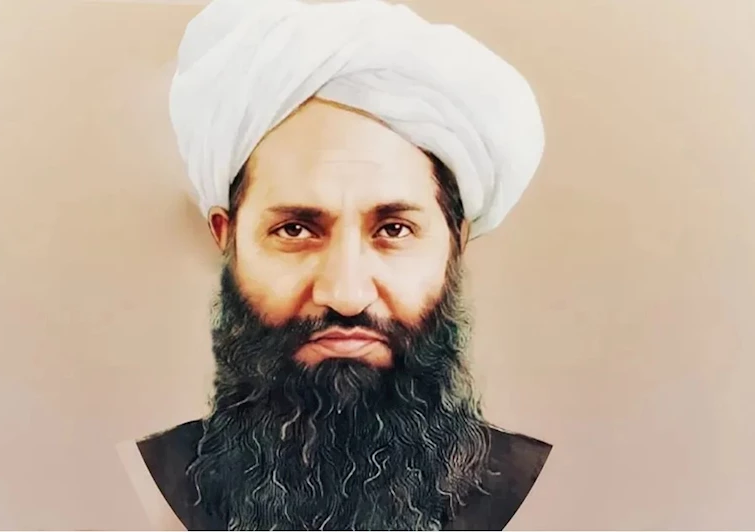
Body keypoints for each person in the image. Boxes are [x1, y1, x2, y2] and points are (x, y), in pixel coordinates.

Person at [133, 0, 551, 529]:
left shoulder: (543, 492)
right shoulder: (142, 488)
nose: (347, 294)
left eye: (393, 230)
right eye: (295, 230)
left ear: (456, 241)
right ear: (227, 237)